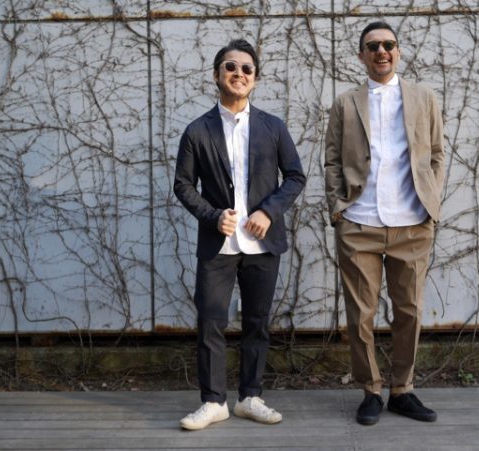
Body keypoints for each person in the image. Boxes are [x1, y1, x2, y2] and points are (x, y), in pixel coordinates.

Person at [174, 39, 306, 430]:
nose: (239, 73)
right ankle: (214, 402)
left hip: (263, 243)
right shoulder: (197, 130)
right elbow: (183, 185)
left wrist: (268, 211)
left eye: (247, 68)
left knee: (257, 321)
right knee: (211, 322)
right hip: (219, 243)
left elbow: (295, 176)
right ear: (217, 75)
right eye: (230, 66)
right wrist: (212, 216)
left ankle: (250, 397)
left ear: (255, 79)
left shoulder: (273, 127)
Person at [324, 21, 445, 425]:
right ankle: (371, 390)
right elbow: (331, 159)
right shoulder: (345, 103)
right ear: (361, 55)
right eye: (373, 46)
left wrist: (431, 203)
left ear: (398, 51)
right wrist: (338, 209)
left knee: (409, 312)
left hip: (412, 223)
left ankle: (402, 389)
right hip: (359, 223)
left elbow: (436, 154)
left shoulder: (424, 98)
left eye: (388, 44)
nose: (381, 51)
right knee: (361, 316)